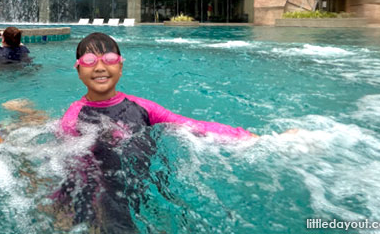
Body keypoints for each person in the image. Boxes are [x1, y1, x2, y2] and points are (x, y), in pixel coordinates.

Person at [55, 32, 256, 231]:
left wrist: (244, 136)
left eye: (109, 59)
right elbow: (71, 171)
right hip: (104, 200)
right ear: (79, 71)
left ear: (120, 67)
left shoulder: (143, 107)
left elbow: (190, 126)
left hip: (144, 192)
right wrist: (64, 208)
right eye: (89, 61)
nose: (100, 67)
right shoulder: (73, 119)